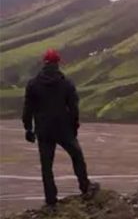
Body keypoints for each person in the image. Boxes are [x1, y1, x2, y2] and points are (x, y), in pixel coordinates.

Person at [22, 49, 99, 209]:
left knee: (46, 166)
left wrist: (28, 129)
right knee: (77, 155)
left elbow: (28, 109)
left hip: (43, 129)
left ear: (44, 63)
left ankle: (51, 201)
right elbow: (73, 108)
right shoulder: (66, 83)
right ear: (58, 63)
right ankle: (85, 187)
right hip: (64, 128)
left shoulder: (33, 84)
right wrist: (74, 127)